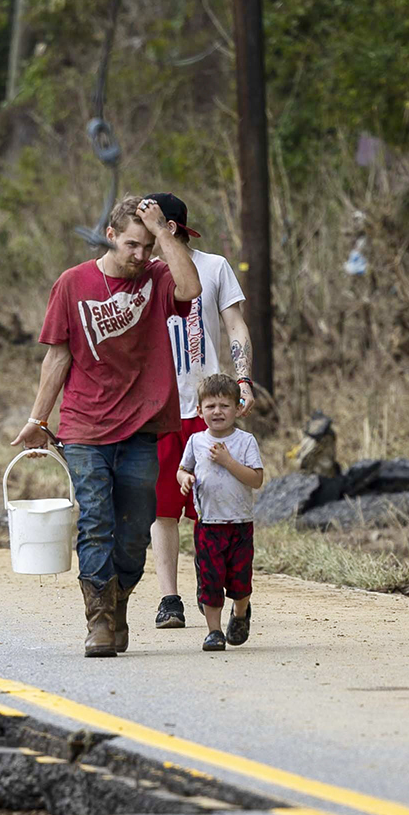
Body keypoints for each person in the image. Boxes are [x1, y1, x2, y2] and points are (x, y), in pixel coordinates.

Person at [15, 196, 203, 656]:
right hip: (85, 426)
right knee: (97, 521)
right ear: (112, 235)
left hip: (143, 425)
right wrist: (39, 419)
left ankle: (117, 602)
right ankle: (98, 620)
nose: (140, 256)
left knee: (136, 527)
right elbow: (57, 356)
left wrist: (163, 233)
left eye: (148, 247)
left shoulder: (158, 278)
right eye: (133, 245)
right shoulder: (72, 283)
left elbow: (191, 288)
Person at [138, 192, 255, 632]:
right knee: (163, 508)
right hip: (159, 408)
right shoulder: (143, 273)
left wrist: (243, 378)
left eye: (150, 227)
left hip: (208, 406)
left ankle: (221, 595)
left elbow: (235, 324)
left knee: (213, 510)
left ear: (169, 227)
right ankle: (170, 599)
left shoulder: (214, 267)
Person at [175, 373, 266, 649]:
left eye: (225, 406)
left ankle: (240, 613)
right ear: (199, 410)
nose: (218, 412)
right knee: (210, 580)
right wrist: (185, 480)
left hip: (240, 523)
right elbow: (182, 469)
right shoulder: (195, 441)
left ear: (238, 408)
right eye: (211, 406)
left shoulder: (245, 441)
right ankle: (213, 632)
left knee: (240, 581)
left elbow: (256, 479)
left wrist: (228, 461)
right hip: (208, 524)